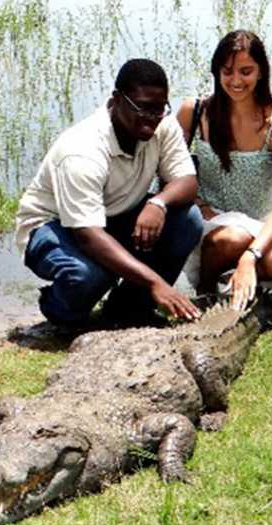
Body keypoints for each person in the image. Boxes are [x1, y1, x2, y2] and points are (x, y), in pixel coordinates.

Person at [15, 58, 203, 329]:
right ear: (117, 100)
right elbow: (88, 236)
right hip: (56, 226)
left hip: (114, 216)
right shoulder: (81, 150)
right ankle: (61, 313)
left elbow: (187, 181)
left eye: (159, 108)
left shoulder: (162, 123)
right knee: (87, 275)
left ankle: (127, 310)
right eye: (142, 108)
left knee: (188, 220)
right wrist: (156, 282)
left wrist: (159, 203)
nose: (151, 118)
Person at [176, 30, 272, 311]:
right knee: (232, 238)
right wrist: (198, 203)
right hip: (209, 225)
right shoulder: (194, 112)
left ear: (261, 72)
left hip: (259, 227)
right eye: (227, 71)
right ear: (216, 71)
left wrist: (251, 256)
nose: (235, 81)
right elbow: (168, 172)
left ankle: (234, 280)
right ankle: (204, 290)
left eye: (246, 71)